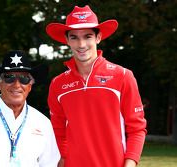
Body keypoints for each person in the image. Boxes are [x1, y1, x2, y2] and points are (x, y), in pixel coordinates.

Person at [46, 5, 147, 167]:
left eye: (87, 36)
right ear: (67, 40)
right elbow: (58, 131)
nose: (81, 44)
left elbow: (137, 129)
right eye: (74, 37)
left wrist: (130, 164)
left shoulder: (122, 76)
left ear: (98, 37)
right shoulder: (58, 84)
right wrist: (63, 160)